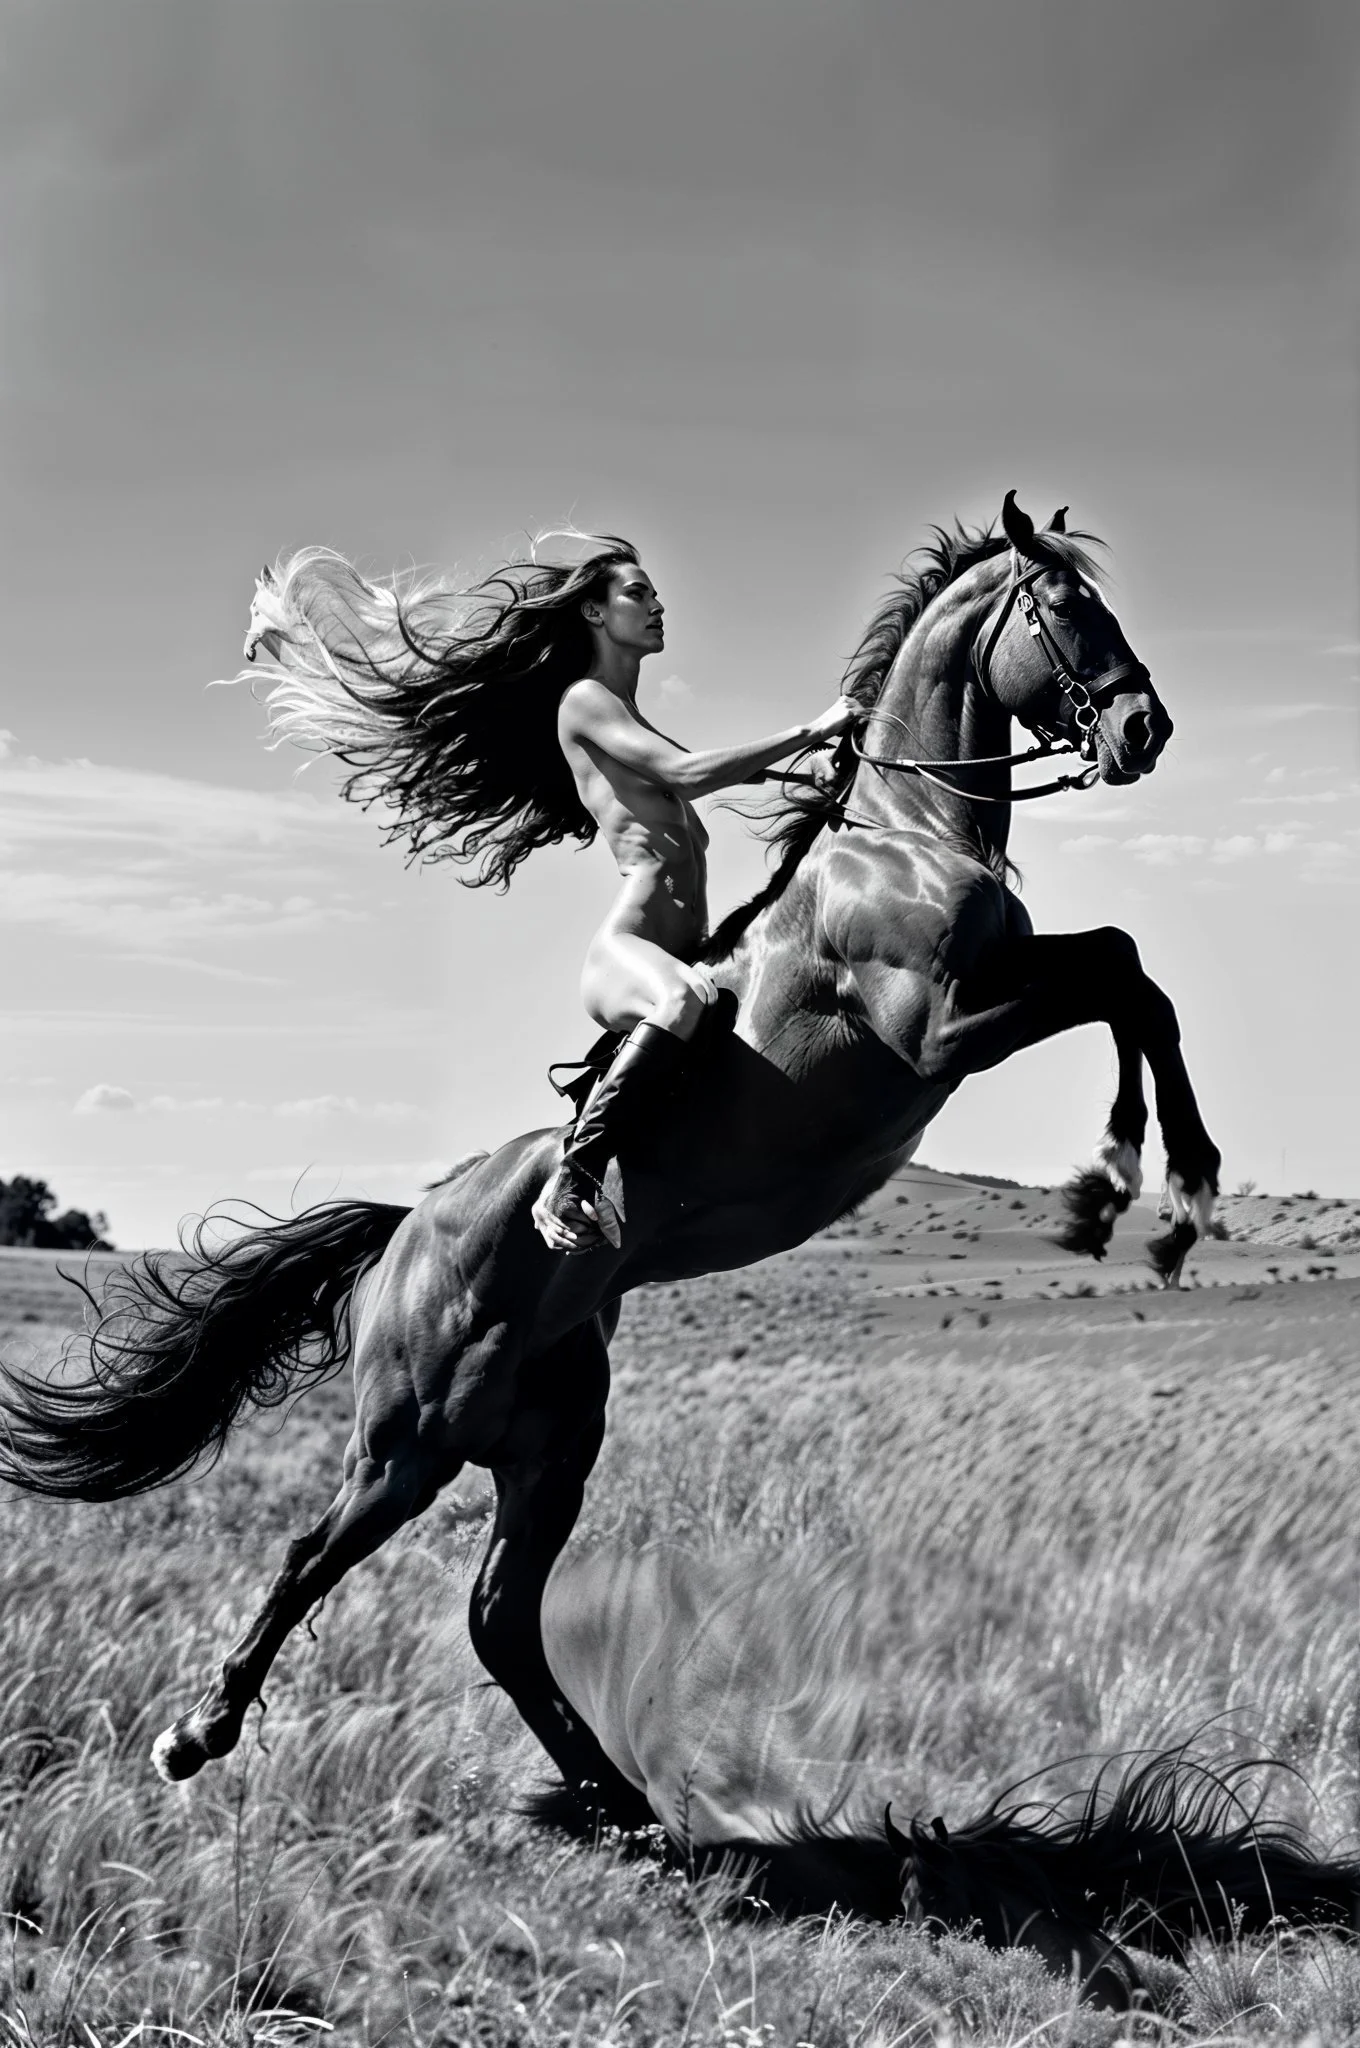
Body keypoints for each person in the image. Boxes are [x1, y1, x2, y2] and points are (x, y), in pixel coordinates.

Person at [239, 533, 856, 1255]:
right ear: (593, 614)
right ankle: (573, 1173)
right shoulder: (586, 700)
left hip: (682, 947)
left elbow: (703, 771)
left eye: (657, 595)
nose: (657, 605)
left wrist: (813, 772)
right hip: (630, 953)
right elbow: (688, 774)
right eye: (637, 593)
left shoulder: (625, 715)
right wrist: (813, 728)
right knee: (683, 1001)